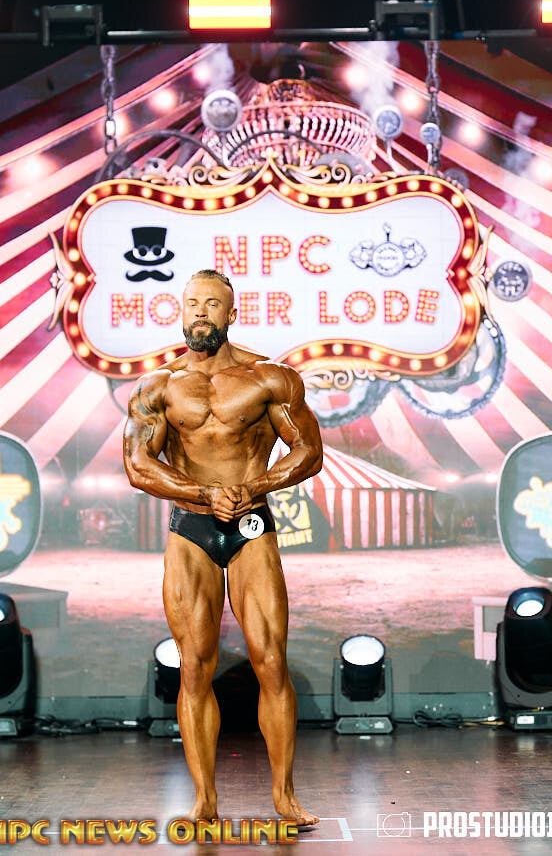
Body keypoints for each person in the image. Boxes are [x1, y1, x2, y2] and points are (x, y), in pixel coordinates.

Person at [123, 269, 323, 827]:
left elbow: (309, 451)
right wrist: (204, 493)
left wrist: (254, 485)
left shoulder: (268, 378)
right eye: (192, 303)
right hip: (191, 528)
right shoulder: (159, 387)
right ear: (181, 310)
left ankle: (284, 796)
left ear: (231, 314)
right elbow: (138, 465)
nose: (200, 313)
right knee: (193, 667)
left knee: (271, 661)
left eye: (212, 305)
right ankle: (204, 799)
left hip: (251, 524)